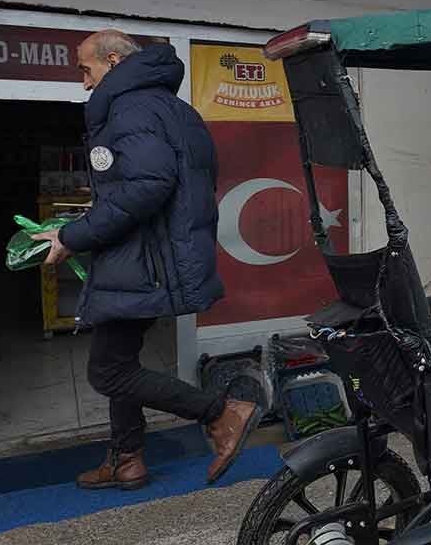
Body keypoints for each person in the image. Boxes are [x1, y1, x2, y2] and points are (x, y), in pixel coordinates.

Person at [33, 30, 262, 490]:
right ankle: (127, 459)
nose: (83, 83)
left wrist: (76, 235)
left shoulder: (131, 108)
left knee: (109, 370)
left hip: (139, 262)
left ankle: (222, 413)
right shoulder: (174, 109)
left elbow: (148, 186)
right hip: (144, 259)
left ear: (113, 61)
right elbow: (157, 185)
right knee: (121, 361)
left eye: (86, 69)